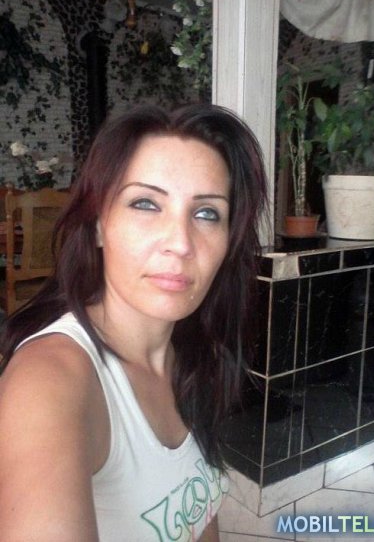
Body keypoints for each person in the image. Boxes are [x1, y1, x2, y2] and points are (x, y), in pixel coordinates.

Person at [0, 103, 268, 542]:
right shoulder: (49, 382)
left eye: (206, 213)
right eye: (146, 203)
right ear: (98, 226)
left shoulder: (194, 355)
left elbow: (199, 514)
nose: (180, 243)